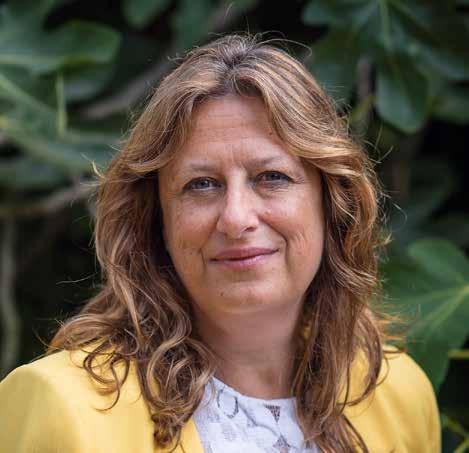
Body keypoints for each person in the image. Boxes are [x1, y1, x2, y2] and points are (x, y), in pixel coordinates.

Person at [0, 34, 440, 452]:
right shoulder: (62, 406)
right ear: (158, 220)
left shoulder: (400, 395)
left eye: (271, 177)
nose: (236, 218)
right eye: (202, 184)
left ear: (331, 204)